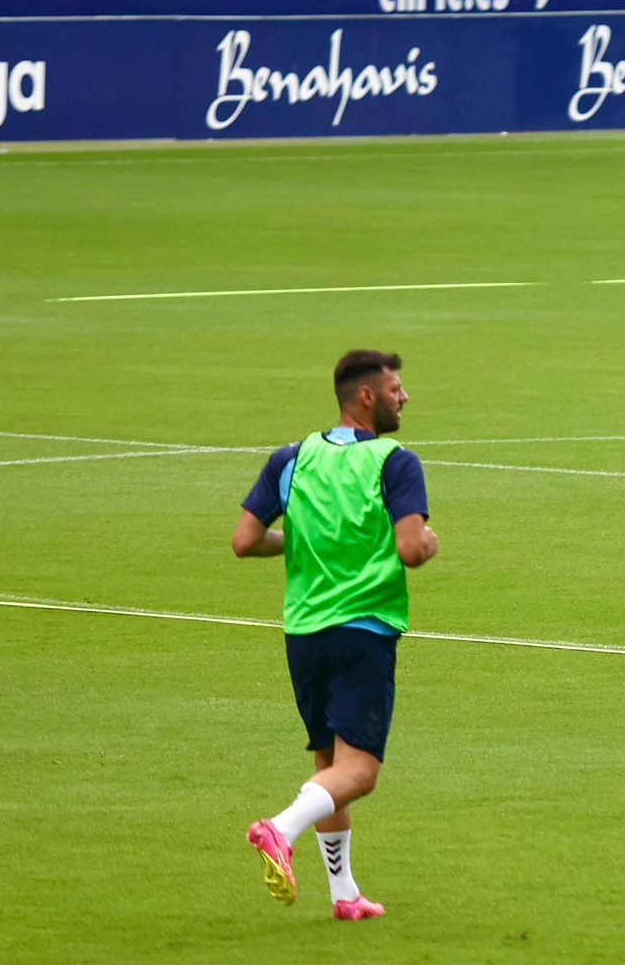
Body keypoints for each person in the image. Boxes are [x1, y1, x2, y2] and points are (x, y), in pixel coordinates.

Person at [232, 349, 439, 919]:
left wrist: (295, 543)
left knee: (330, 769)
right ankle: (279, 827)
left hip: (304, 634)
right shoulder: (394, 461)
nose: (405, 397)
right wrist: (427, 544)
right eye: (396, 388)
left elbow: (245, 540)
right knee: (360, 772)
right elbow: (409, 550)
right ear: (367, 396)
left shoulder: (292, 458)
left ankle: (344, 893)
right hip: (363, 630)